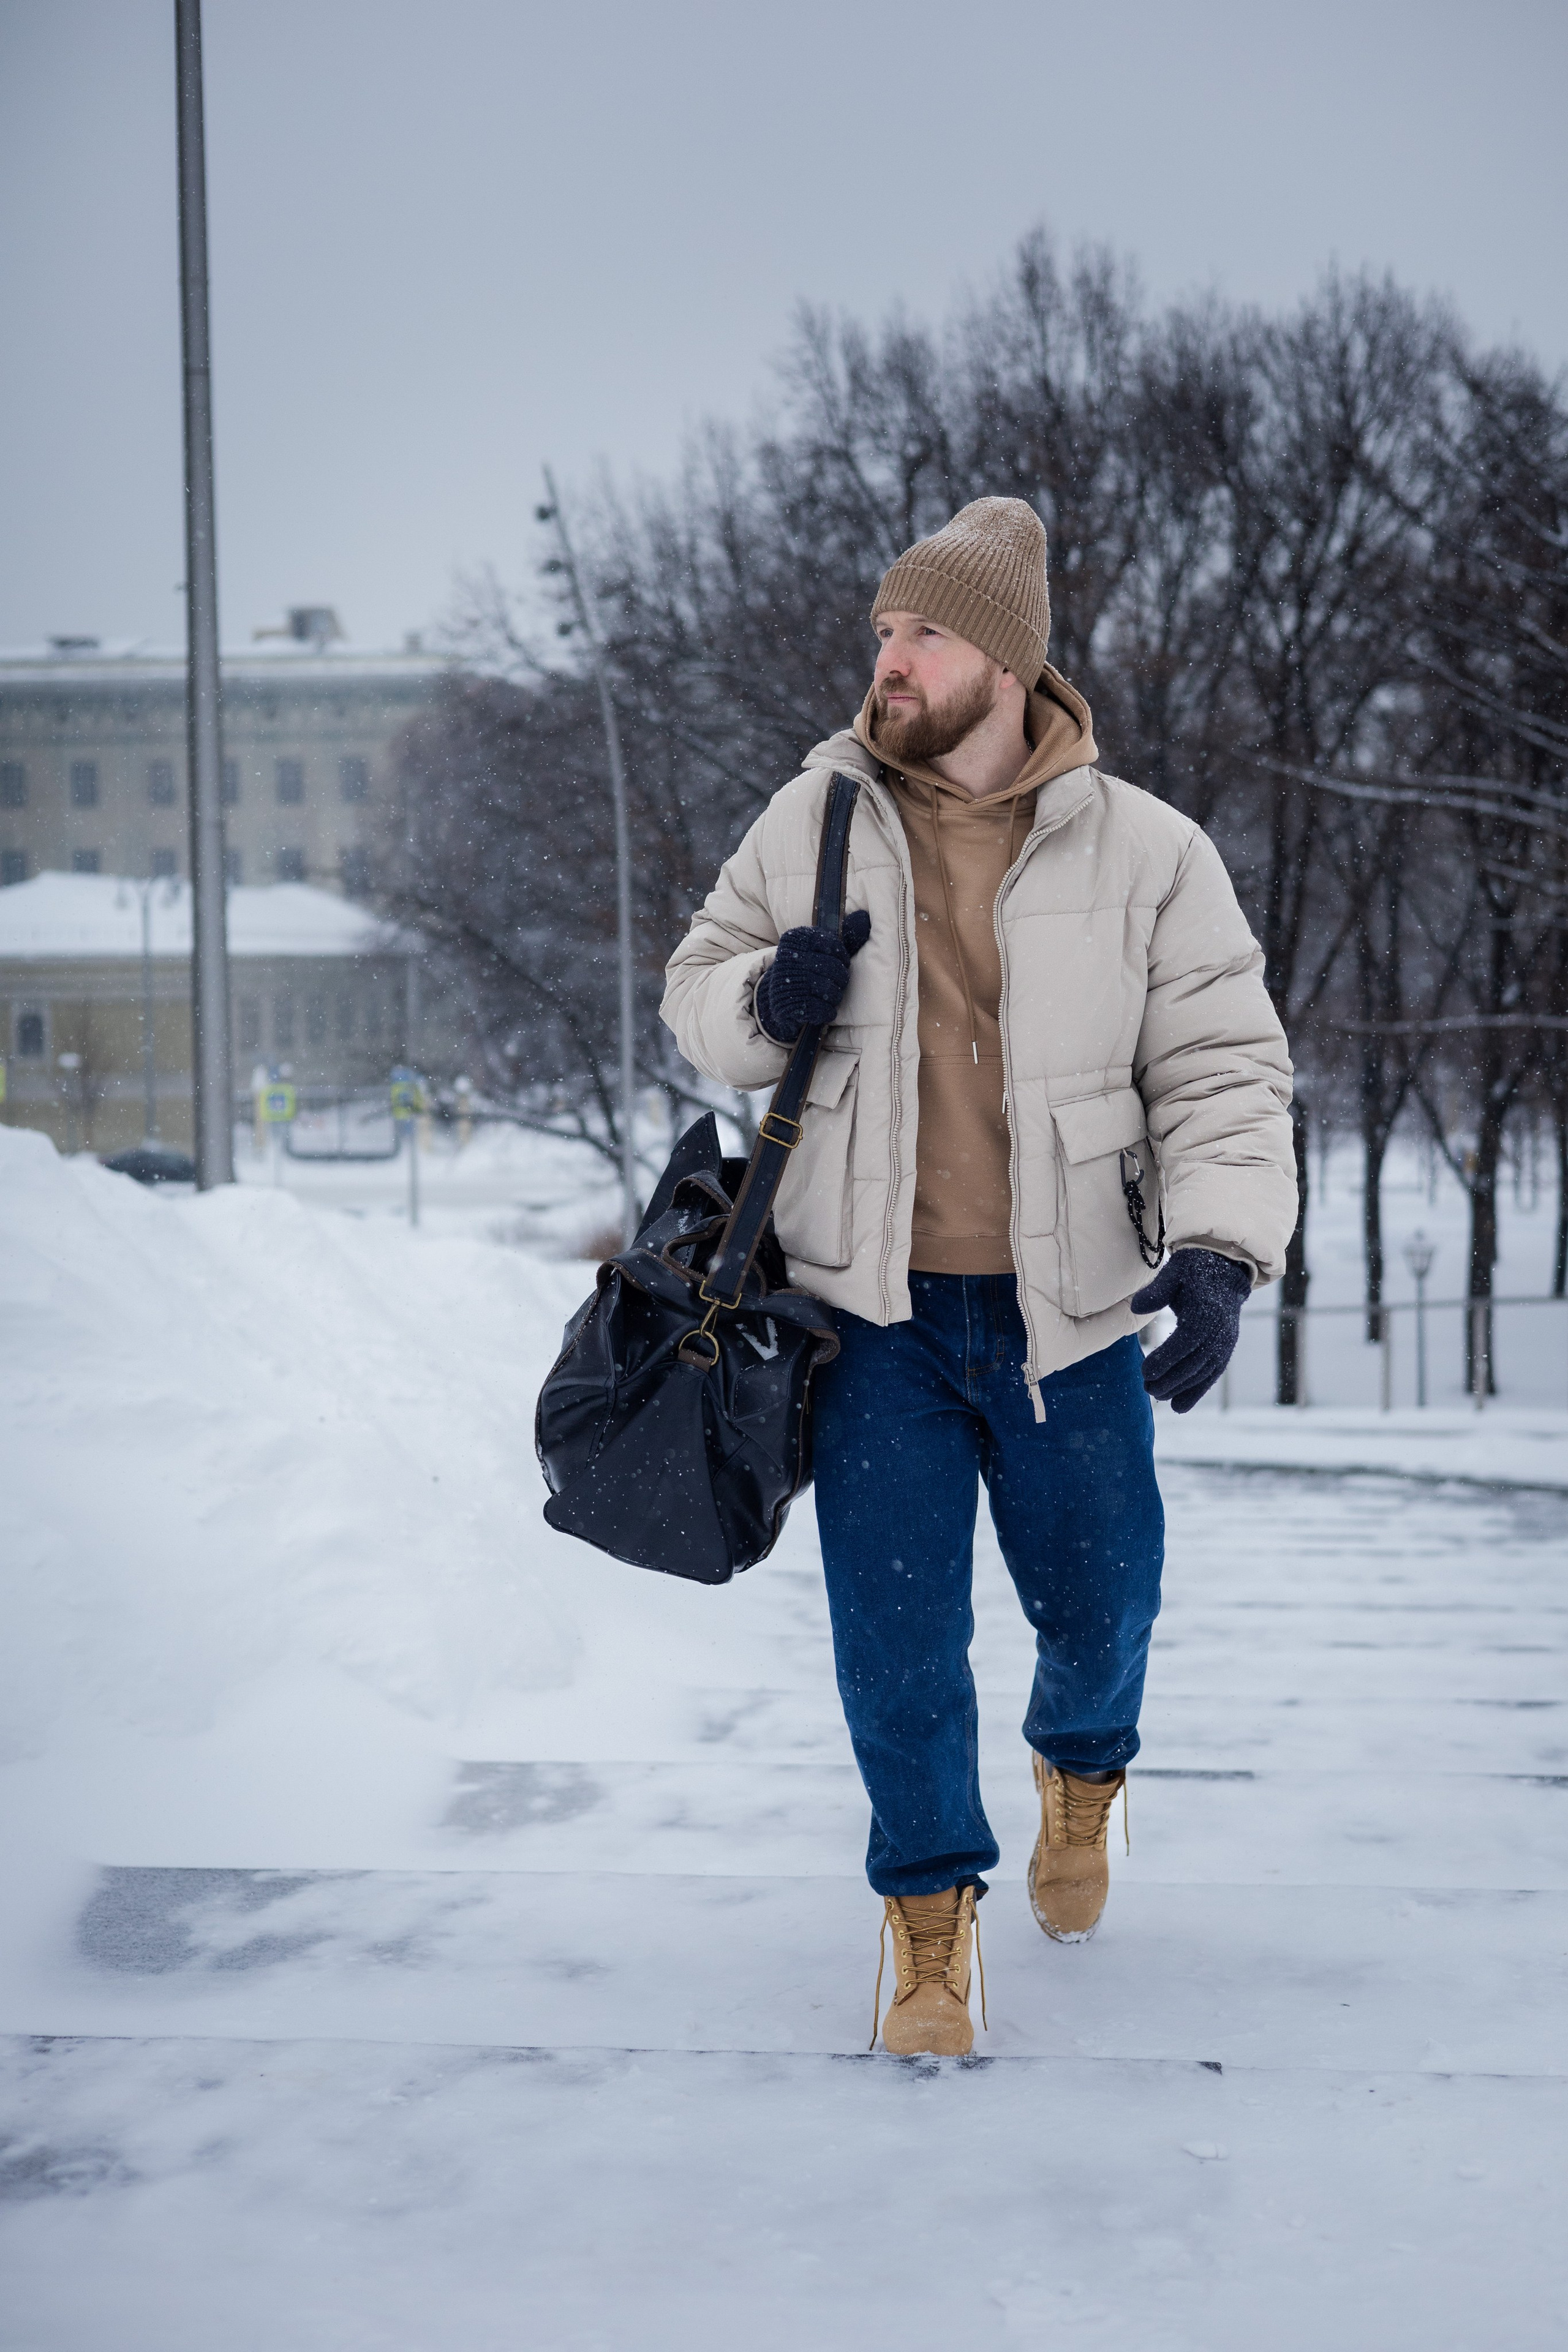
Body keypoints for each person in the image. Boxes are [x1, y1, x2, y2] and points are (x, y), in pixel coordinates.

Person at [661, 499, 1295, 2056]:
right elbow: (696, 1001)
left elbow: (1220, 1065)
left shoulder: (1147, 849)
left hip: (1064, 1315)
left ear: (1003, 665)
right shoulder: (810, 817)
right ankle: (929, 1920)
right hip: (863, 1318)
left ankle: (1081, 1770)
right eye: (882, 631)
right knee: (894, 1642)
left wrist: (1217, 1250)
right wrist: (768, 990)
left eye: (919, 633)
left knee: (1100, 1601)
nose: (886, 659)